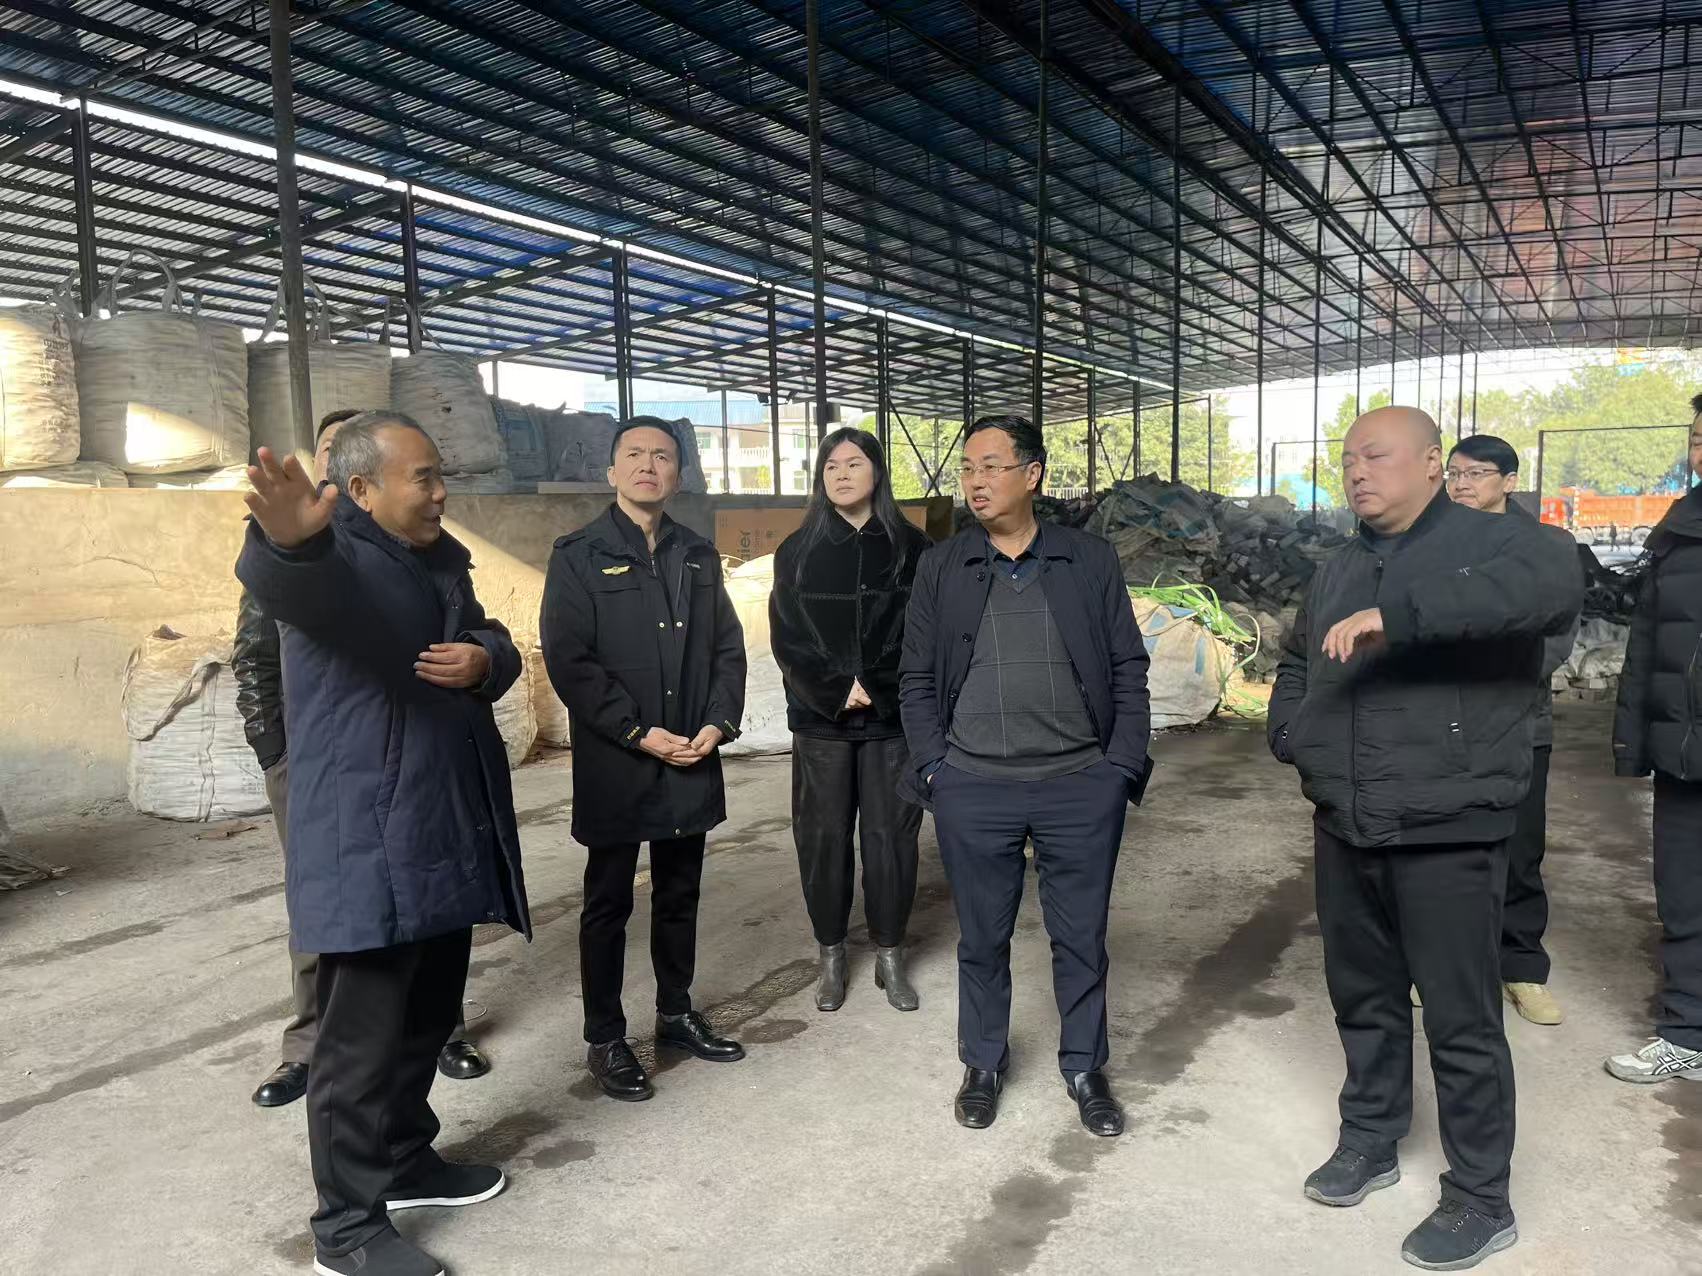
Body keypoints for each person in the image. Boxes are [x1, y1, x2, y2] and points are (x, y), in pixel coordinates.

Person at [1269, 406, 1580, 1272]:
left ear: (1435, 463)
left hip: (1448, 820)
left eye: (1376, 455)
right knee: (1362, 996)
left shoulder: (1504, 543)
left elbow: (1553, 592)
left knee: (1459, 1017)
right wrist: (1293, 733)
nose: (1357, 471)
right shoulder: (1339, 565)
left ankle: (1481, 1195)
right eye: (1347, 459)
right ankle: (1370, 1136)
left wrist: (1398, 613)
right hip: (1348, 816)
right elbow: (1297, 657)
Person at [237, 412, 531, 1276]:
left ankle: (405, 1159)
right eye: (424, 477)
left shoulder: (436, 559)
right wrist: (287, 544)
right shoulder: (338, 557)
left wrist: (484, 658)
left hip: (439, 826)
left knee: (428, 1017)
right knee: (357, 1047)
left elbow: (493, 635)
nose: (441, 492)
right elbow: (301, 587)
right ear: (360, 489)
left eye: (442, 476)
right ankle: (347, 1229)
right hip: (371, 839)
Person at [899, 414, 1152, 1138]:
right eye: (967, 469)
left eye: (991, 467)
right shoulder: (943, 566)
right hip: (974, 785)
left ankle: (1085, 1067)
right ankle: (983, 1063)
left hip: (1080, 782)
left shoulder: (1087, 559)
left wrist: (1119, 767)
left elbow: (1127, 666)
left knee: (1081, 937)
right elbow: (915, 677)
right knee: (982, 937)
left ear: (1032, 474)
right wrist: (936, 768)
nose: (975, 482)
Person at [540, 416, 748, 1103]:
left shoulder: (697, 555)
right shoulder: (579, 555)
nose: (648, 465)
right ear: (611, 471)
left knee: (680, 893)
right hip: (619, 759)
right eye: (634, 454)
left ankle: (675, 1013)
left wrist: (717, 723)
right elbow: (570, 660)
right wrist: (635, 732)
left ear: (678, 475)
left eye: (662, 456)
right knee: (607, 902)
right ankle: (605, 1036)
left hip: (689, 750)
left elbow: (727, 648)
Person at [770, 428, 932, 1013]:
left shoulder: (914, 548)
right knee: (822, 838)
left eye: (854, 463)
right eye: (831, 465)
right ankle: (832, 954)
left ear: (877, 472)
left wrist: (880, 685)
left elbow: (927, 632)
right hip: (822, 719)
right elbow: (788, 636)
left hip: (892, 719)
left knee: (892, 839)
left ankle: (890, 953)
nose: (841, 474)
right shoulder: (797, 550)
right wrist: (839, 687)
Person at [1444, 434, 1580, 1026]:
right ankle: (1442, 965)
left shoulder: (1548, 547)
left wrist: (1489, 673)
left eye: (1476, 473)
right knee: (1443, 851)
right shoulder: (1428, 544)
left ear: (1509, 481)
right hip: (1441, 723)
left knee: (1519, 850)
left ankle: (1520, 967)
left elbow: (1557, 635)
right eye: (1454, 473)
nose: (1462, 484)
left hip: (1519, 722)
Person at [1606, 398, 1702, 1084]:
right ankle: (1687, 1032)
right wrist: (1632, 740)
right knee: (1685, 894)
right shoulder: (1680, 527)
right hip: (1684, 752)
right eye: (1698, 438)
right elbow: (1647, 644)